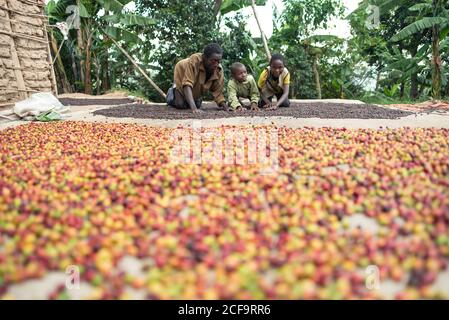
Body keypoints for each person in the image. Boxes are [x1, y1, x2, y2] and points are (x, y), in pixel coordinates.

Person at [167, 43, 227, 113]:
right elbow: (187, 84)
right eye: (213, 61)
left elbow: (217, 91)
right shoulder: (194, 61)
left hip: (196, 85)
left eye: (218, 61)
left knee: (197, 104)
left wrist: (225, 107)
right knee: (180, 104)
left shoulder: (218, 69)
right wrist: (194, 109)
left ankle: (193, 99)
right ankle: (172, 93)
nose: (216, 64)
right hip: (182, 72)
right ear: (204, 57)